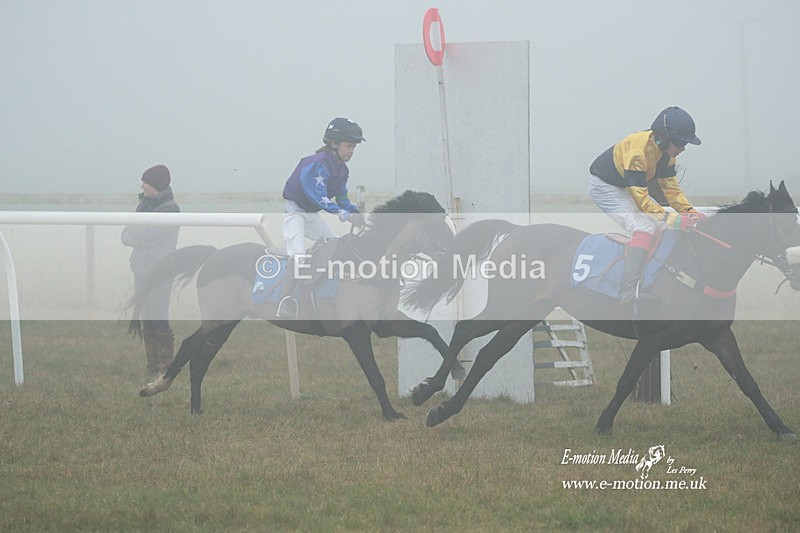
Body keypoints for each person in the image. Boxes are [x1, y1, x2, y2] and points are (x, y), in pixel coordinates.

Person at [589, 106, 705, 303]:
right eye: (680, 142)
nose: (683, 147)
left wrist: (689, 212)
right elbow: (642, 201)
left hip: (626, 185)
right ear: (664, 138)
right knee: (643, 227)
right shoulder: (638, 153)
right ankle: (628, 291)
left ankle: (653, 280)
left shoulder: (666, 153)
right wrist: (674, 220)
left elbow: (671, 189)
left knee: (661, 226)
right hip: (605, 187)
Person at [277, 117, 367, 319]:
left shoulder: (342, 169)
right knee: (298, 255)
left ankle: (325, 293)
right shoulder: (317, 164)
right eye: (348, 146)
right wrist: (344, 215)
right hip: (295, 213)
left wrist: (353, 211)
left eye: (353, 147)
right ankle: (286, 300)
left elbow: (342, 197)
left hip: (311, 215)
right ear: (334, 143)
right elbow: (317, 197)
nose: (351, 151)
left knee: (335, 244)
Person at [121, 164, 180, 375]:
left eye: (146, 182)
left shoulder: (170, 208)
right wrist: (138, 236)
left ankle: (166, 366)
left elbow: (147, 234)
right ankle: (153, 366)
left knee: (159, 316)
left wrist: (136, 234)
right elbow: (125, 235)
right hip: (141, 269)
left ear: (156, 184)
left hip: (161, 270)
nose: (142, 186)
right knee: (147, 316)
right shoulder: (143, 205)